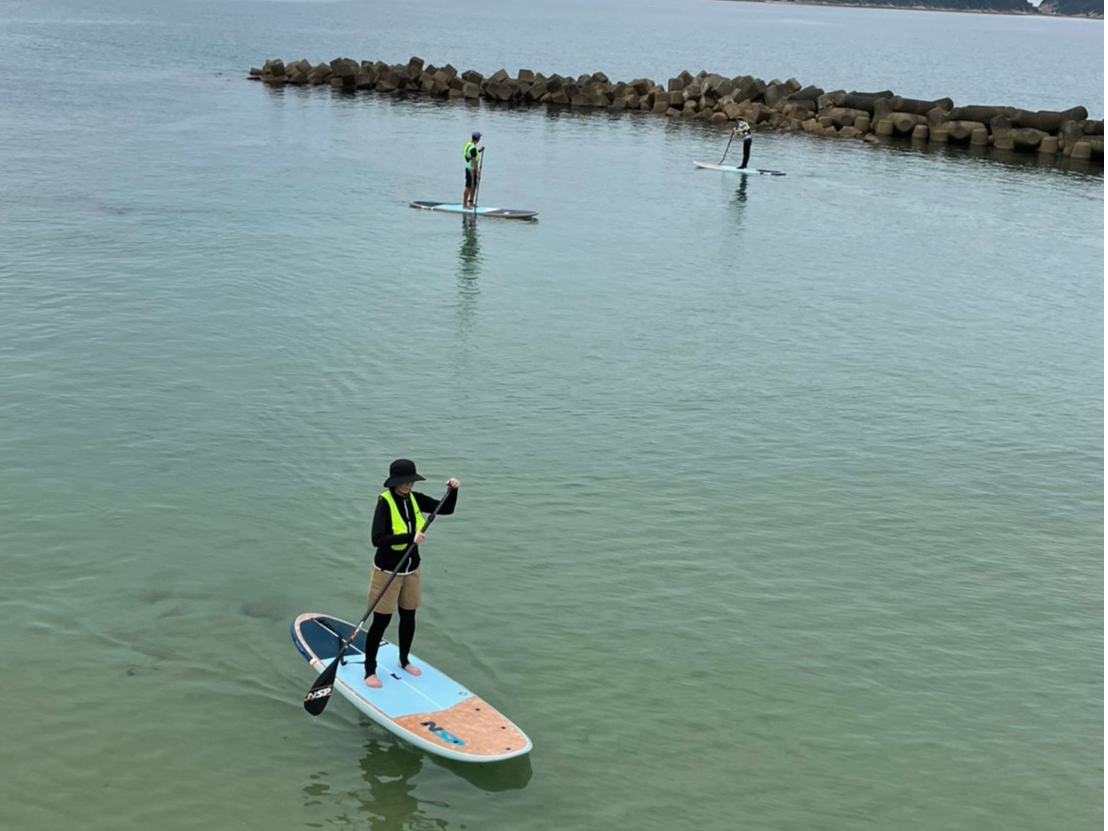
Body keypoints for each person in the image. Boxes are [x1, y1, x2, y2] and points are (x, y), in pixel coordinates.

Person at [363, 459, 459, 688]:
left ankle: (404, 660)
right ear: (394, 482)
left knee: (408, 616)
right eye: (404, 481)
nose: (408, 485)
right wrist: (410, 537)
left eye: (411, 481)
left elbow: (446, 508)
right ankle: (369, 671)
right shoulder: (385, 503)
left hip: (411, 569)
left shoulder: (415, 498)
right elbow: (377, 539)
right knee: (381, 621)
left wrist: (453, 490)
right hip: (387, 570)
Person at [462, 131, 482, 209]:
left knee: (474, 186)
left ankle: (471, 203)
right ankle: (464, 205)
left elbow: (472, 154)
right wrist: (477, 172)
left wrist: (479, 150)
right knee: (468, 187)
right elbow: (473, 161)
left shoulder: (470, 144)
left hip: (471, 168)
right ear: (478, 139)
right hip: (470, 169)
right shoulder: (473, 148)